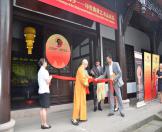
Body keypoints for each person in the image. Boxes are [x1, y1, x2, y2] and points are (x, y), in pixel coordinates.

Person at [71, 59, 91, 125]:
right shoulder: (80, 69)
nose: (87, 66)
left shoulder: (82, 69)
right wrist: (87, 83)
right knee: (77, 104)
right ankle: (74, 118)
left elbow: (86, 76)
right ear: (84, 64)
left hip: (82, 89)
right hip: (79, 89)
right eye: (87, 64)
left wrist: (91, 78)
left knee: (83, 103)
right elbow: (83, 79)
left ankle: (82, 117)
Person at [38, 58, 52, 129]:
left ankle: (42, 123)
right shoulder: (45, 71)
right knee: (44, 109)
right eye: (46, 62)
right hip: (45, 91)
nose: (46, 63)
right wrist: (50, 77)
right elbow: (48, 82)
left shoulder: (39, 71)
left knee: (42, 108)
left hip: (41, 91)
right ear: (43, 63)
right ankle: (45, 124)